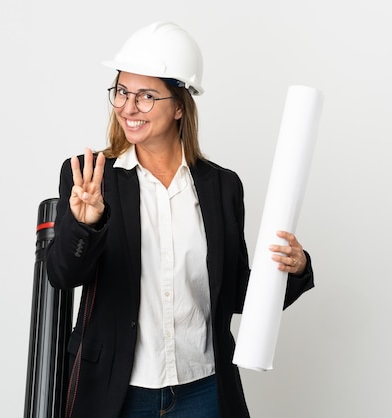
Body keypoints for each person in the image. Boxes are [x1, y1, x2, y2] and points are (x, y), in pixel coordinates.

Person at [46, 21, 314, 418]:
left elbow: (236, 292)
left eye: (146, 96)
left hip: (203, 390)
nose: (127, 107)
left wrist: (293, 270)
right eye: (121, 91)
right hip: (117, 392)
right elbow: (63, 275)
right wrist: (86, 224)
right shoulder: (91, 178)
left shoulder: (222, 187)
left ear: (178, 105)